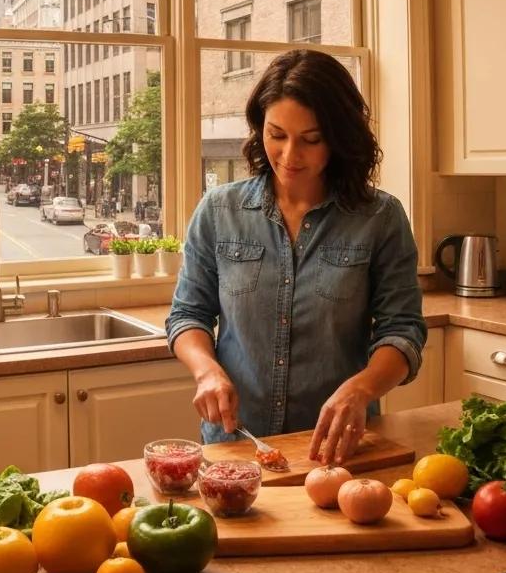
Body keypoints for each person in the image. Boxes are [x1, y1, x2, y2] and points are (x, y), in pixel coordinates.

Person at [166, 49, 426, 465]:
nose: (289, 155)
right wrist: (206, 370)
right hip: (236, 444)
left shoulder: (380, 218)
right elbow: (187, 315)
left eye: (311, 139)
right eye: (277, 135)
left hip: (337, 447)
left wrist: (362, 389)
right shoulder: (218, 211)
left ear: (339, 137)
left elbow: (403, 331)